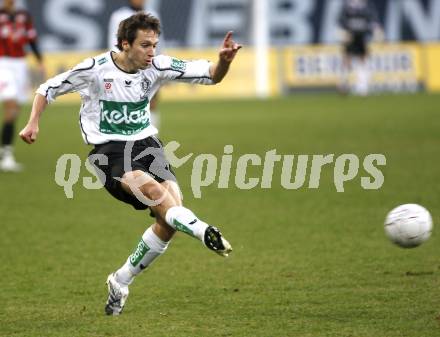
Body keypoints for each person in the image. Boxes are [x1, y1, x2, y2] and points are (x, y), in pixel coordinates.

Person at [20, 13, 241, 316]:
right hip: (109, 152)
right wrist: (33, 123)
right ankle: (204, 231)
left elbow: (212, 74)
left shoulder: (158, 66)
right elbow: (47, 88)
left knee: (168, 221)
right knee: (156, 195)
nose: (152, 52)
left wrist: (225, 60)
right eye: (145, 45)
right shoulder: (94, 69)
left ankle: (121, 280)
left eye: (155, 45)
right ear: (125, 44)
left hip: (148, 146)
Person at [0, 0, 44, 171]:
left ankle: (5, 151)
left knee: (16, 108)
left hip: (20, 64)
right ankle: (6, 155)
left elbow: (31, 39)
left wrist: (39, 61)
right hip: (3, 63)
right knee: (10, 107)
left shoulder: (24, 16)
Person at [108, 0, 162, 129]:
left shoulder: (152, 14)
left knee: (151, 104)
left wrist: (159, 67)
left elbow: (159, 43)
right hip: (126, 69)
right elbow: (113, 43)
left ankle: (151, 140)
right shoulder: (119, 16)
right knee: (126, 106)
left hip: (149, 67)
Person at [338, 0, 382, 95]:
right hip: (350, 35)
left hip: (362, 36)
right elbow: (341, 20)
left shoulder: (366, 5)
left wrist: (376, 29)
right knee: (347, 58)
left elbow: (373, 19)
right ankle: (344, 82)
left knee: (363, 58)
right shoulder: (347, 5)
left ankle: (362, 86)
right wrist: (342, 31)